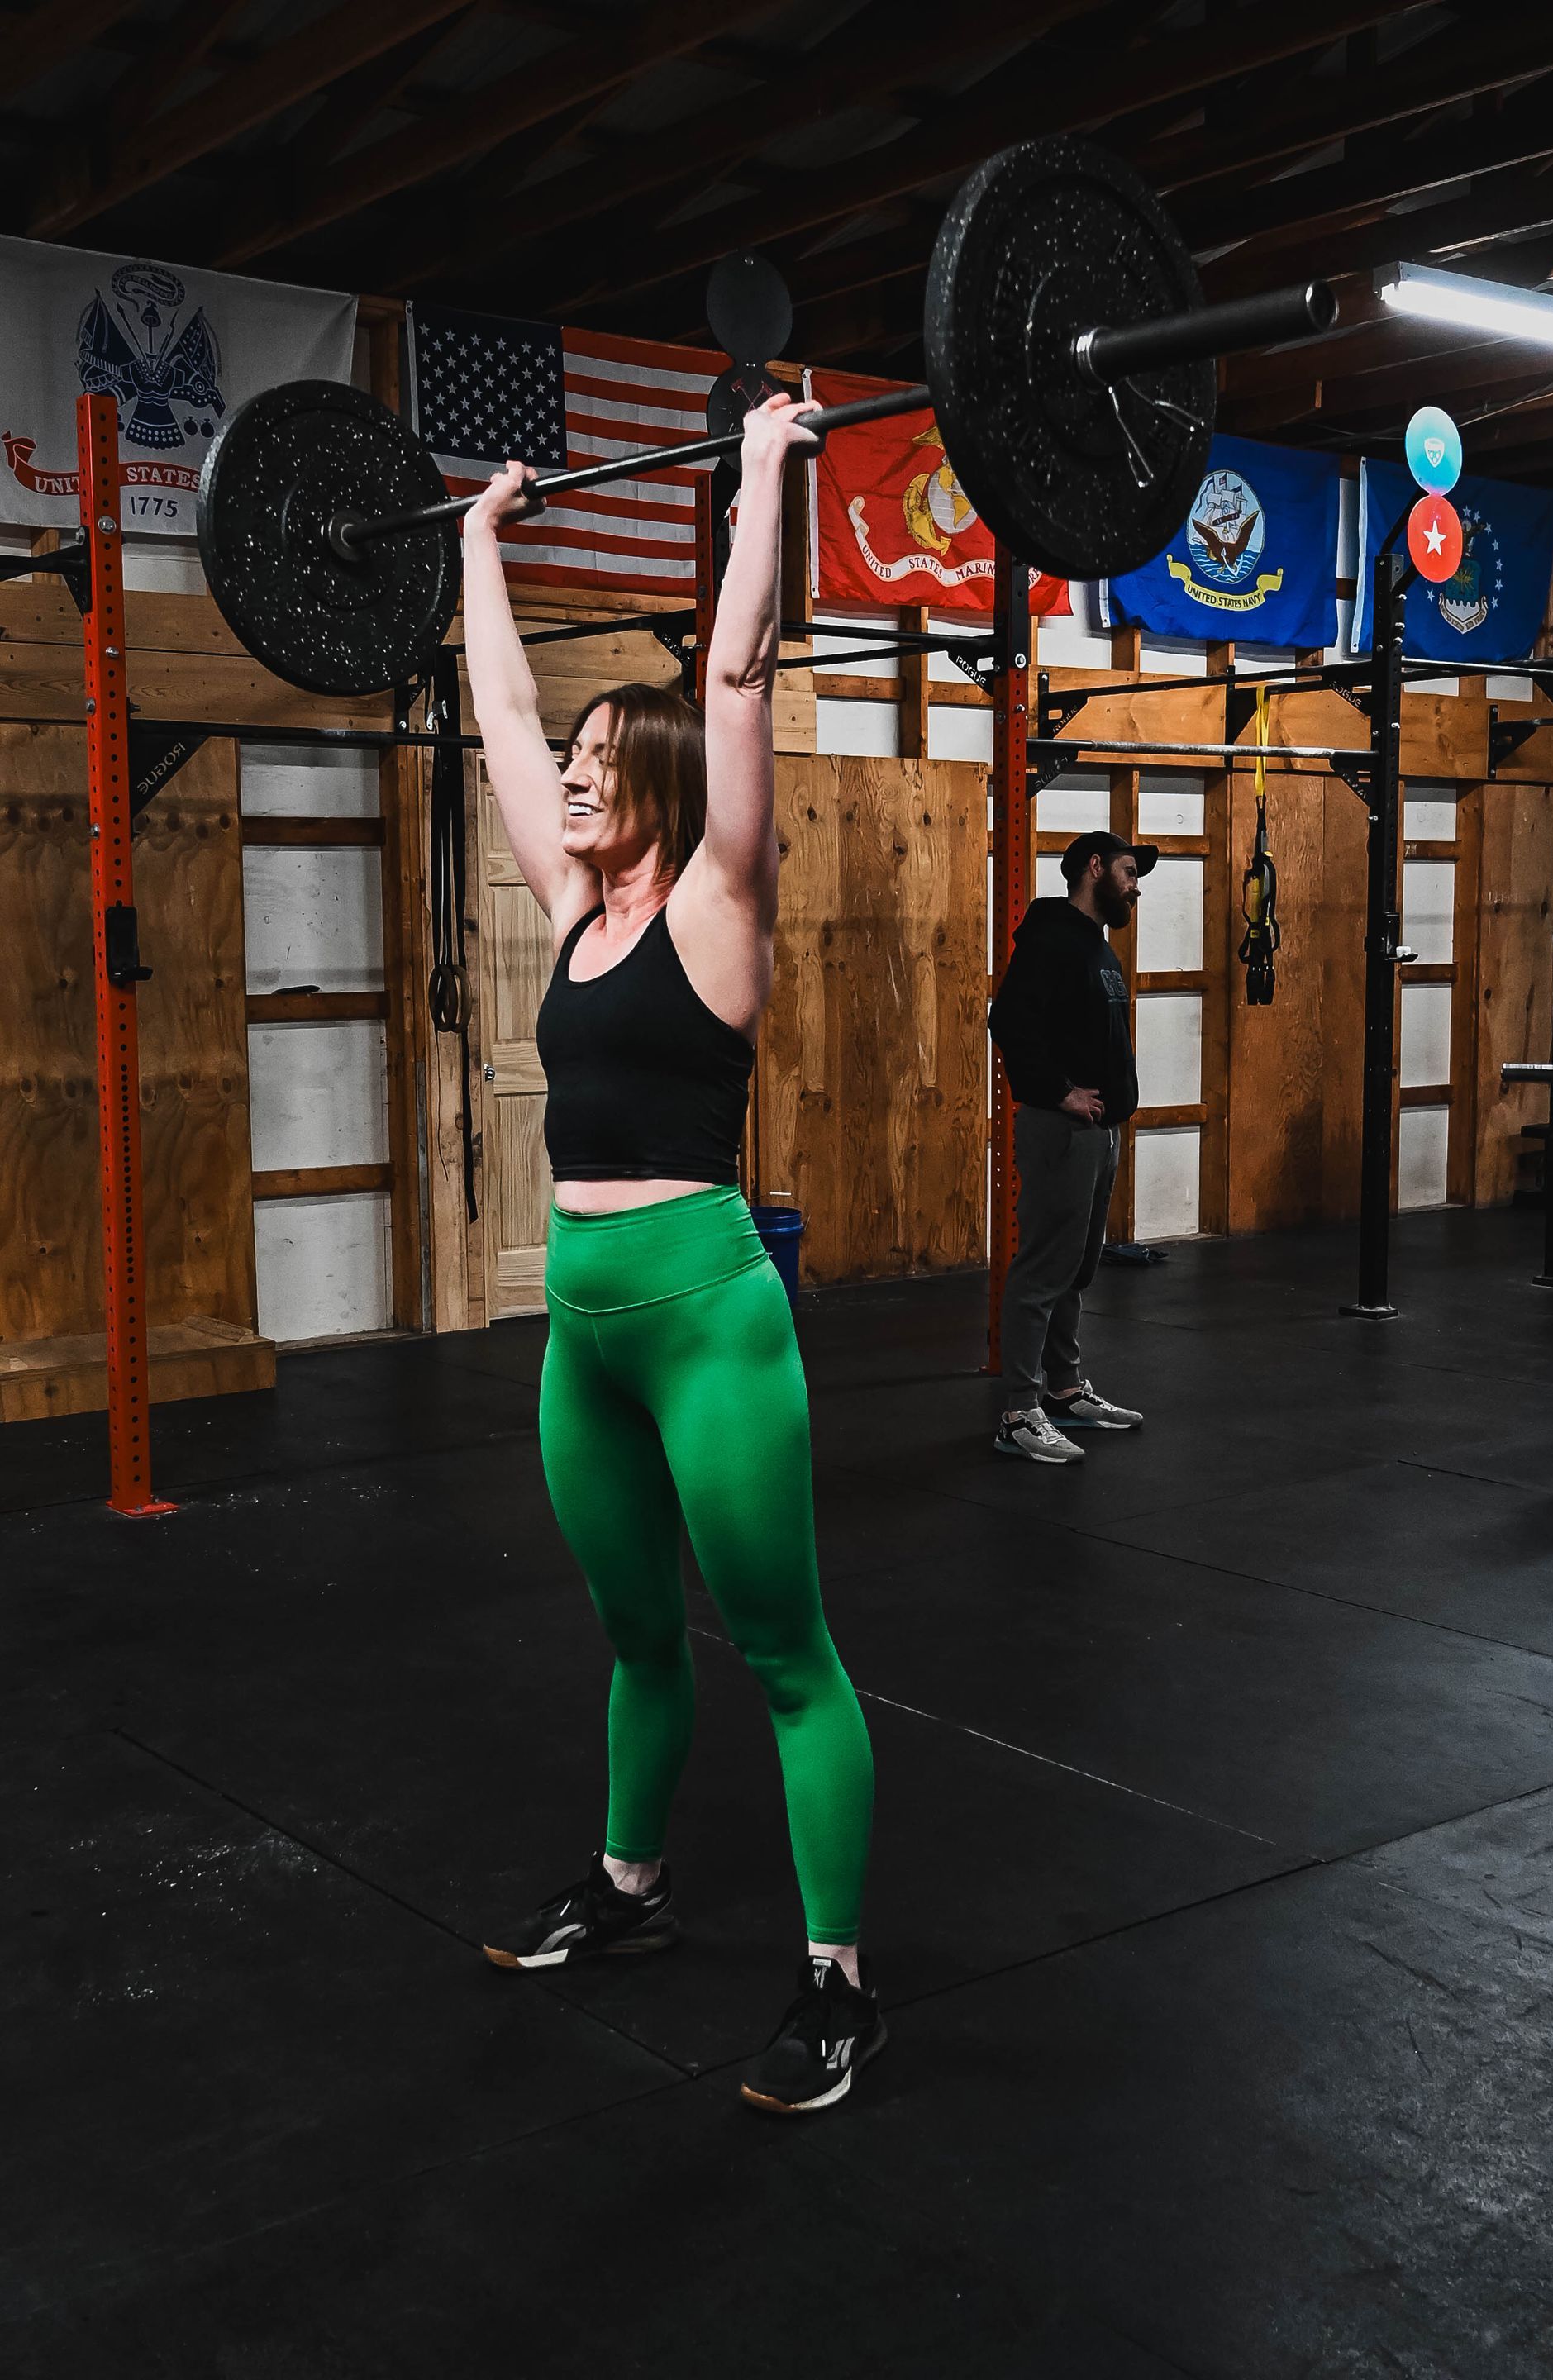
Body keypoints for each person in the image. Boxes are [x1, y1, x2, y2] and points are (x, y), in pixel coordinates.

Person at [462, 395, 883, 2116]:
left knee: (784, 1653)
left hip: (709, 1319)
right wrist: (476, 544)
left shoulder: (720, 902)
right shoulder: (572, 915)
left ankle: (838, 1983)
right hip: (580, 1326)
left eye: (588, 761)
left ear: (648, 787)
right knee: (636, 1634)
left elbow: (731, 683)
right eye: (563, 763)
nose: (561, 772)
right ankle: (628, 1897)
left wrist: (764, 480)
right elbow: (489, 705)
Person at [986, 830, 1155, 1464]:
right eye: (1129, 871)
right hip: (1062, 1131)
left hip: (1099, 1133)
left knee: (1078, 1269)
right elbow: (1008, 1021)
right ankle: (1018, 1411)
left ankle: (1062, 1390)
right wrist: (1059, 1095)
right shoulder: (1052, 941)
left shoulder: (1097, 949)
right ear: (1094, 868)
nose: (1136, 885)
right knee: (1043, 1270)